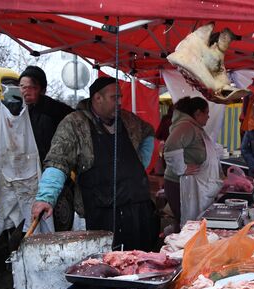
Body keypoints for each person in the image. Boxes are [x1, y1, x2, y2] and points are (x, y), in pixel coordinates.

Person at [31, 76, 158, 251]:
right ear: (98, 98)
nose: (120, 102)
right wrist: (46, 197)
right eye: (115, 97)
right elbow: (58, 161)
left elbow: (148, 131)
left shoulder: (128, 120)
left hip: (137, 210)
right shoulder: (75, 123)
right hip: (100, 216)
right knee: (107, 267)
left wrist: (142, 161)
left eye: (120, 97)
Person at [0, 65, 73, 240]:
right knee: (18, 231)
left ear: (42, 89)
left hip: (46, 179)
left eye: (32, 87)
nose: (26, 91)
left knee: (48, 231)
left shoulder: (53, 111)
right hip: (16, 181)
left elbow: (73, 119)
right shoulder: (12, 109)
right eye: (22, 87)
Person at [163, 96, 222, 229]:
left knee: (191, 225)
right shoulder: (186, 126)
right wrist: (182, 168)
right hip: (180, 184)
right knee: (187, 225)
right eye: (206, 113)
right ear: (197, 113)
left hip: (190, 184)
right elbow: (170, 146)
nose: (208, 117)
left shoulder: (194, 127)